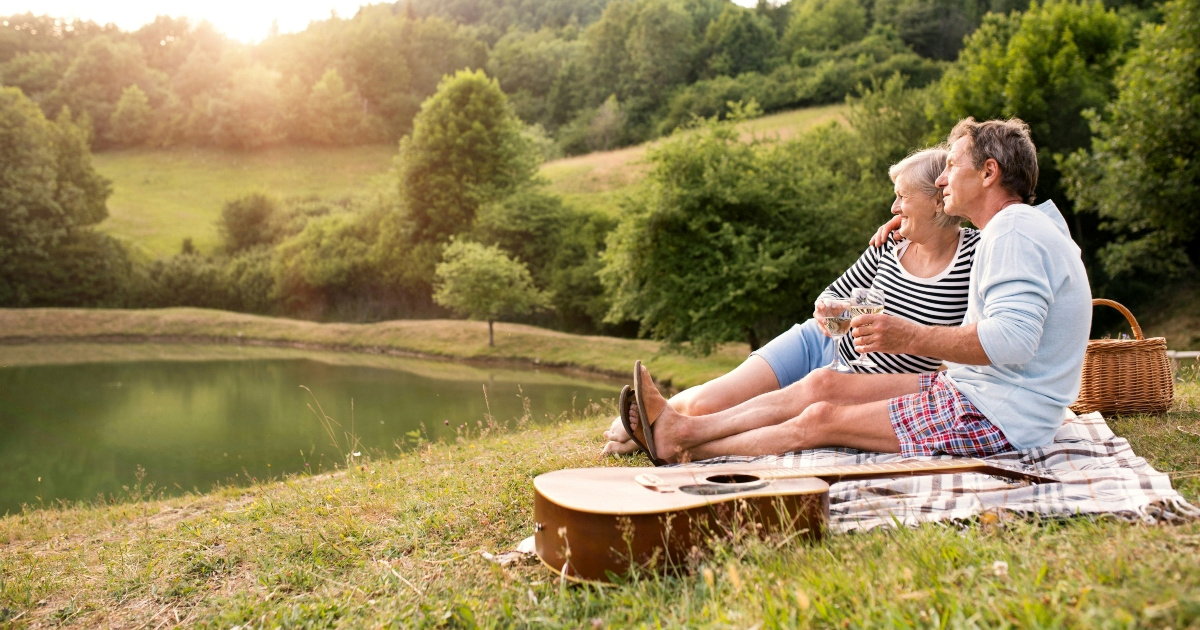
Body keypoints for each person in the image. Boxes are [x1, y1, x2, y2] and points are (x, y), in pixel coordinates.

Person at [624, 117, 1091, 464]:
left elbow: (1013, 341)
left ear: (989, 173)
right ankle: (679, 429)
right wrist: (910, 226)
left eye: (951, 166)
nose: (945, 177)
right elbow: (833, 311)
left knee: (820, 419)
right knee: (822, 385)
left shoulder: (1011, 232)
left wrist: (904, 336)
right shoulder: (1021, 228)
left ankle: (682, 445)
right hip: (972, 391)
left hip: (998, 415)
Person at [604, 145, 981, 455]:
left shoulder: (974, 256)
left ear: (938, 201)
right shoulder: (890, 244)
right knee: (707, 401)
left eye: (902, 197)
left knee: (762, 414)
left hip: (862, 379)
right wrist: (833, 310)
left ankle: (652, 434)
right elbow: (833, 298)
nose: (894, 209)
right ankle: (650, 423)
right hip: (821, 342)